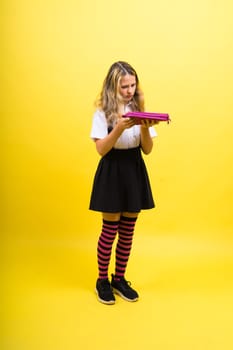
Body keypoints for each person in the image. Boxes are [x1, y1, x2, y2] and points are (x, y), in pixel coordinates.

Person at [89, 61, 158, 305]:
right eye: (124, 86)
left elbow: (147, 150)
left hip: (134, 168)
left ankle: (119, 278)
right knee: (109, 231)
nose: (129, 91)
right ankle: (102, 281)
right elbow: (101, 149)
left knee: (127, 232)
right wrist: (118, 128)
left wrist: (146, 128)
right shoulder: (102, 112)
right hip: (112, 169)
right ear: (112, 86)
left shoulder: (139, 108)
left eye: (132, 85)